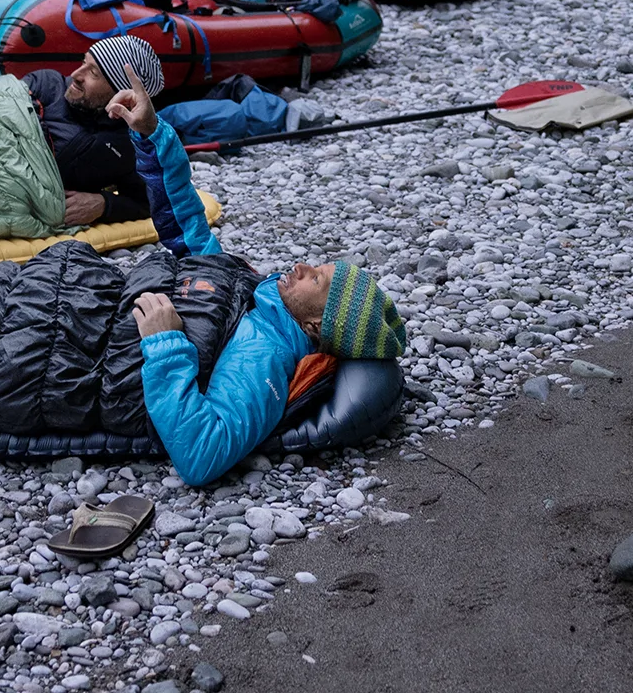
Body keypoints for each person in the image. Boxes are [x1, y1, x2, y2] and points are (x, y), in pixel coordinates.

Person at [107, 66, 404, 486]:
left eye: (314, 279)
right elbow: (187, 224)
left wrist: (165, 344)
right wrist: (154, 133)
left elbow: (201, 454)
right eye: (317, 265)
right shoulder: (256, 294)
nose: (300, 265)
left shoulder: (264, 354)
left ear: (315, 325)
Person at [22, 37, 163, 228]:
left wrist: (103, 205)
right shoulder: (46, 84)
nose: (75, 75)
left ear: (120, 93)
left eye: (94, 73)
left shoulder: (126, 146)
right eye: (83, 62)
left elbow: (146, 203)